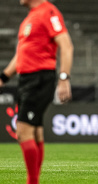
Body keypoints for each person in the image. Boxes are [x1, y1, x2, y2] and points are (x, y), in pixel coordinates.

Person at [0, 0, 73, 183]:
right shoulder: (30, 17)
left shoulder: (48, 12)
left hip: (39, 78)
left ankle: (32, 181)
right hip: (27, 79)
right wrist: (4, 77)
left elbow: (66, 45)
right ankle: (34, 180)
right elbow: (22, 54)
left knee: (23, 131)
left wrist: (64, 78)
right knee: (35, 132)